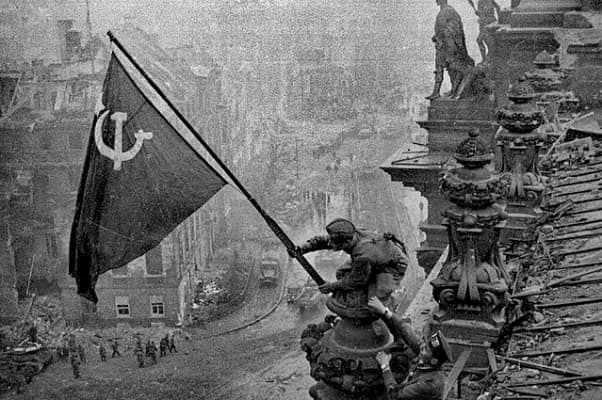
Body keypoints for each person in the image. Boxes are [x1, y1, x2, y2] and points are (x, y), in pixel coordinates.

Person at [290, 218, 409, 304]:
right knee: (341, 273)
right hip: (377, 256)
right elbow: (324, 241)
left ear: (346, 243)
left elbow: (356, 280)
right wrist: (302, 248)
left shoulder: (363, 255)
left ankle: (389, 305)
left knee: (375, 302)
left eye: (333, 243)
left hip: (393, 265)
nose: (330, 244)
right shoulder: (352, 234)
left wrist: (331, 287)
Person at [367, 297, 451, 400]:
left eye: (425, 349)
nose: (422, 347)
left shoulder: (430, 384)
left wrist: (385, 366)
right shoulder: (428, 359)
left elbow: (395, 395)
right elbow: (406, 330)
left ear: (433, 361)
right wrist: (385, 311)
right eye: (425, 345)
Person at [426, 0, 475, 100]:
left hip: (448, 45)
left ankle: (463, 78)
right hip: (444, 44)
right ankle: (441, 91)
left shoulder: (447, 11)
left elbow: (446, 29)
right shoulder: (446, 11)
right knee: (442, 67)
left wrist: (438, 37)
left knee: (449, 66)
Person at [468, 0, 501, 64]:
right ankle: (485, 59)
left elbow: (494, 8)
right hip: (484, 23)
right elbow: (497, 7)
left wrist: (479, 13)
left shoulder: (486, 1)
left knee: (485, 41)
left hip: (488, 24)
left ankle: (487, 59)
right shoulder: (481, 2)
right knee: (481, 41)